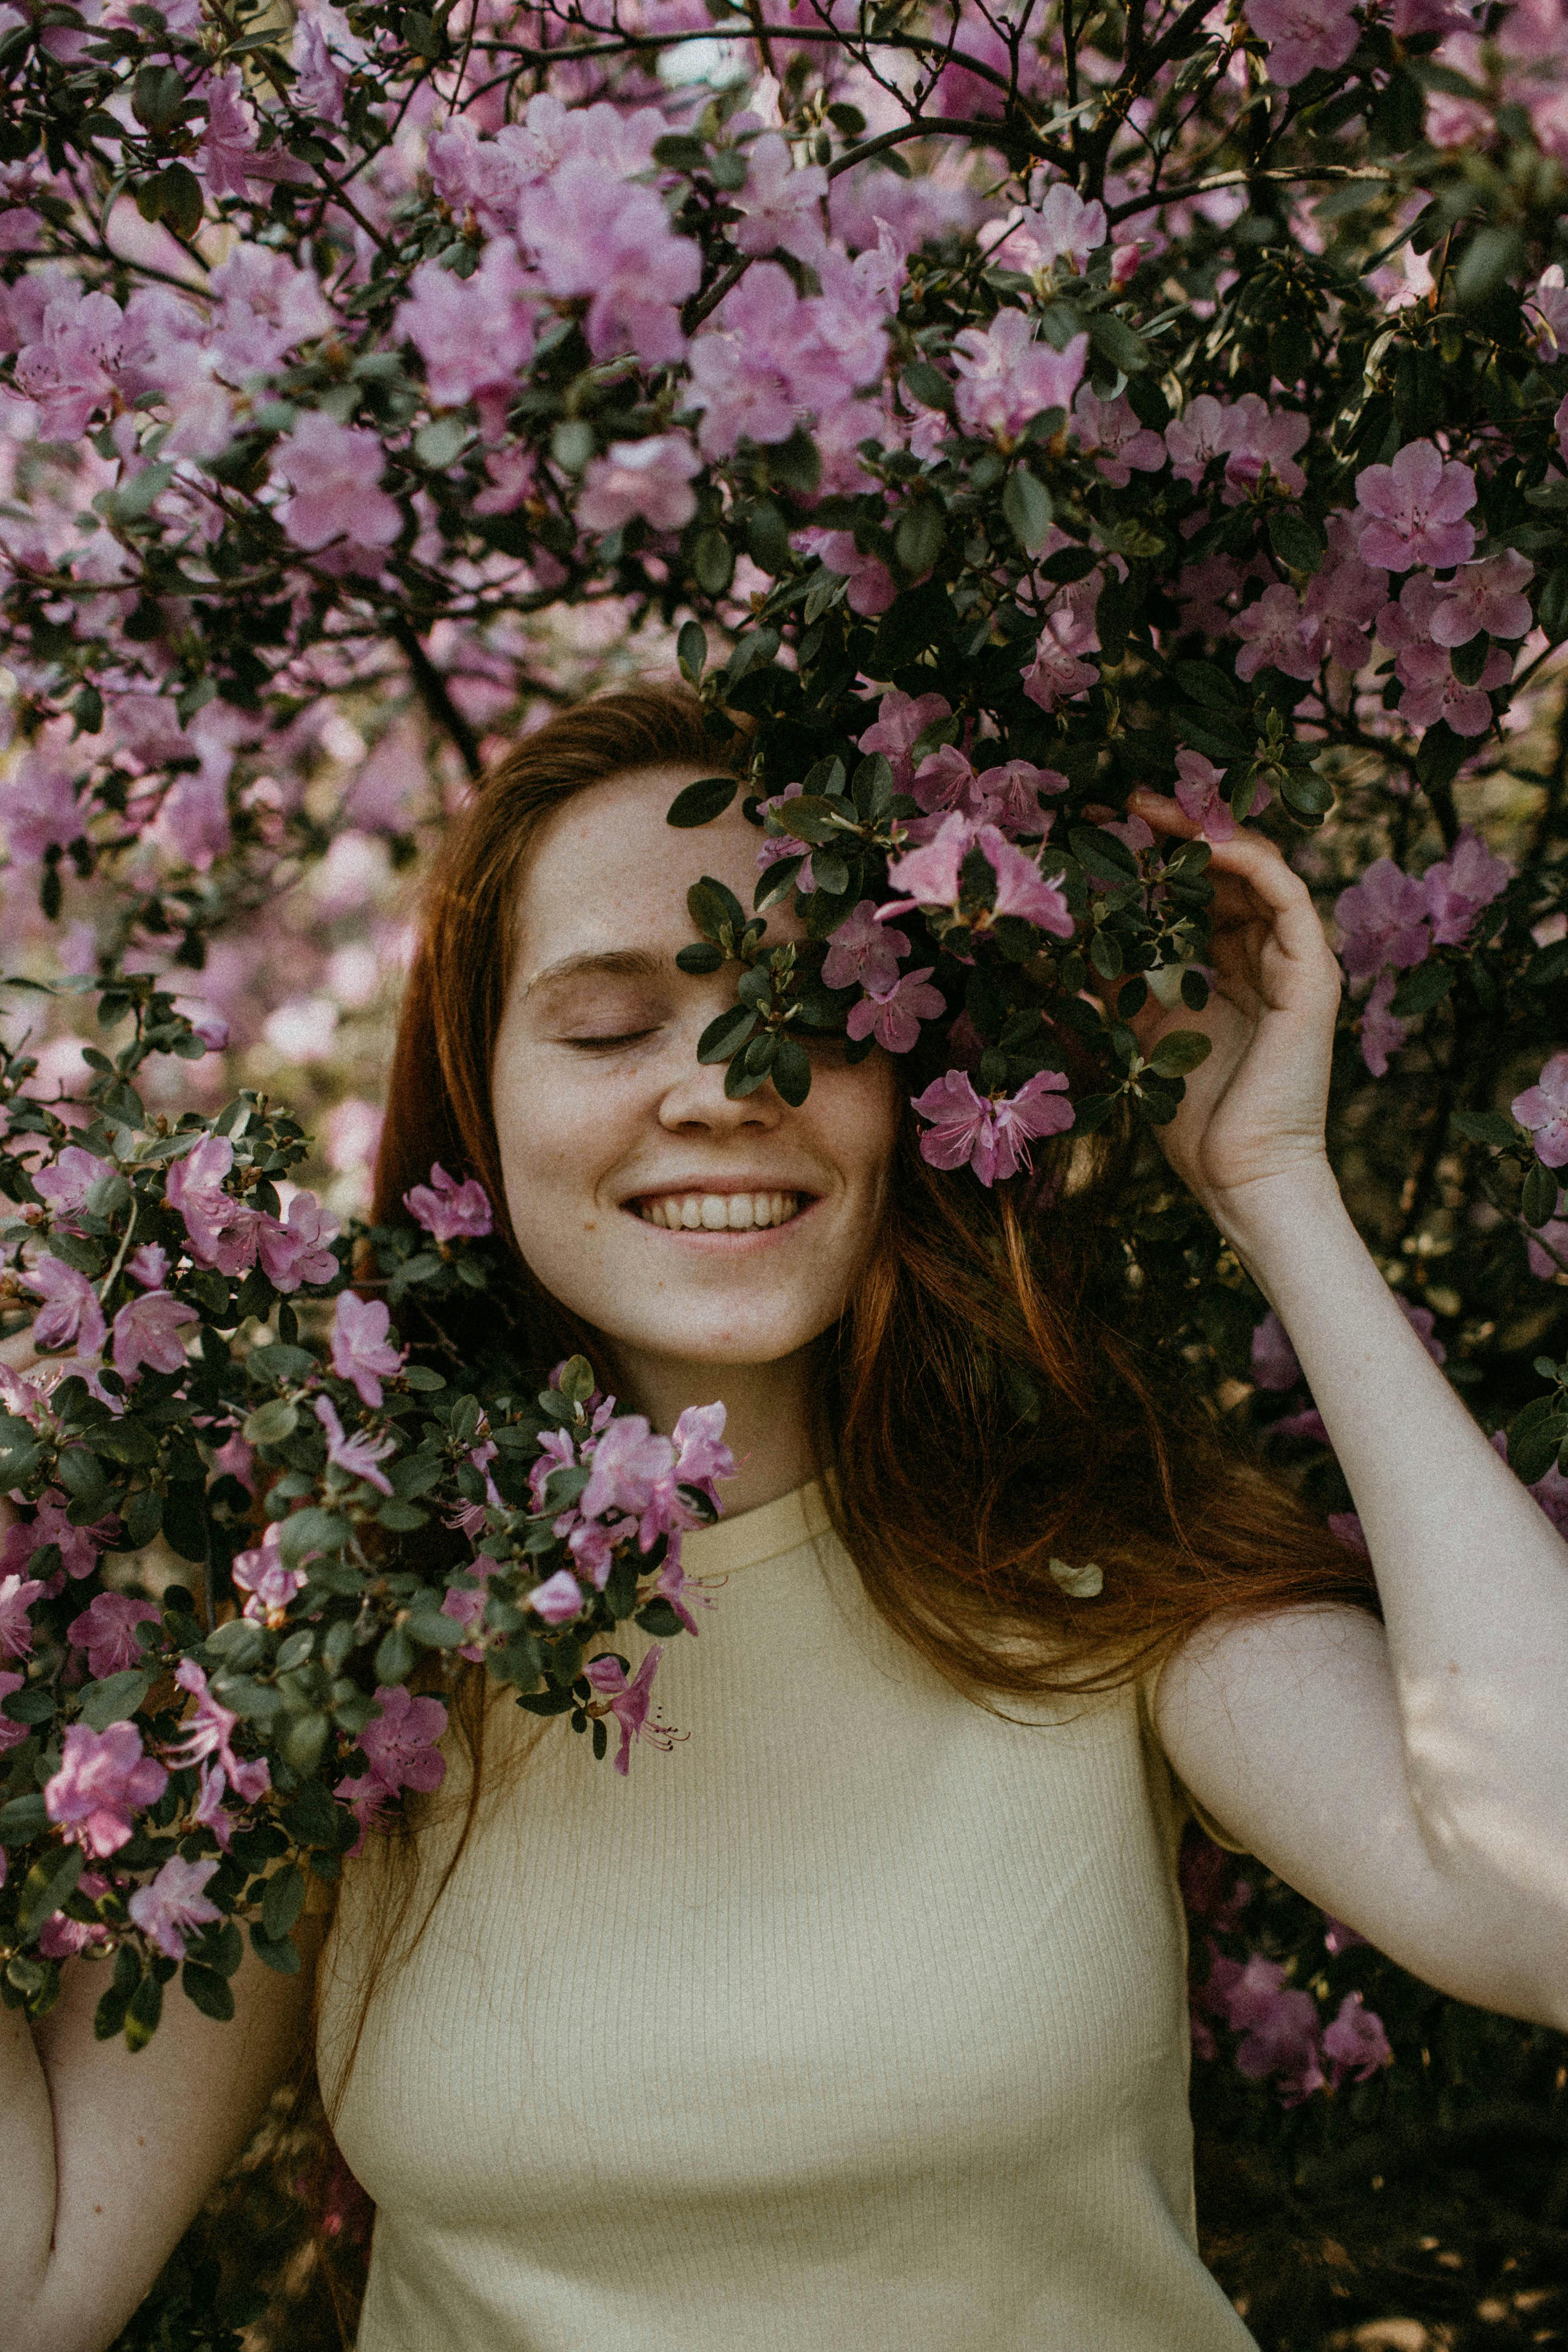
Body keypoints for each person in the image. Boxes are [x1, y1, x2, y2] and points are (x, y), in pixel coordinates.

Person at [8, 682, 1568, 2352]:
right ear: (479, 1105)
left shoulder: (1093, 1573)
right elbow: (36, 2285)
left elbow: (1540, 1903)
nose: (723, 1090)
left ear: (912, 1086)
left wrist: (1273, 1188)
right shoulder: (342, 1665)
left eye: (813, 1014)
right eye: (606, 1028)